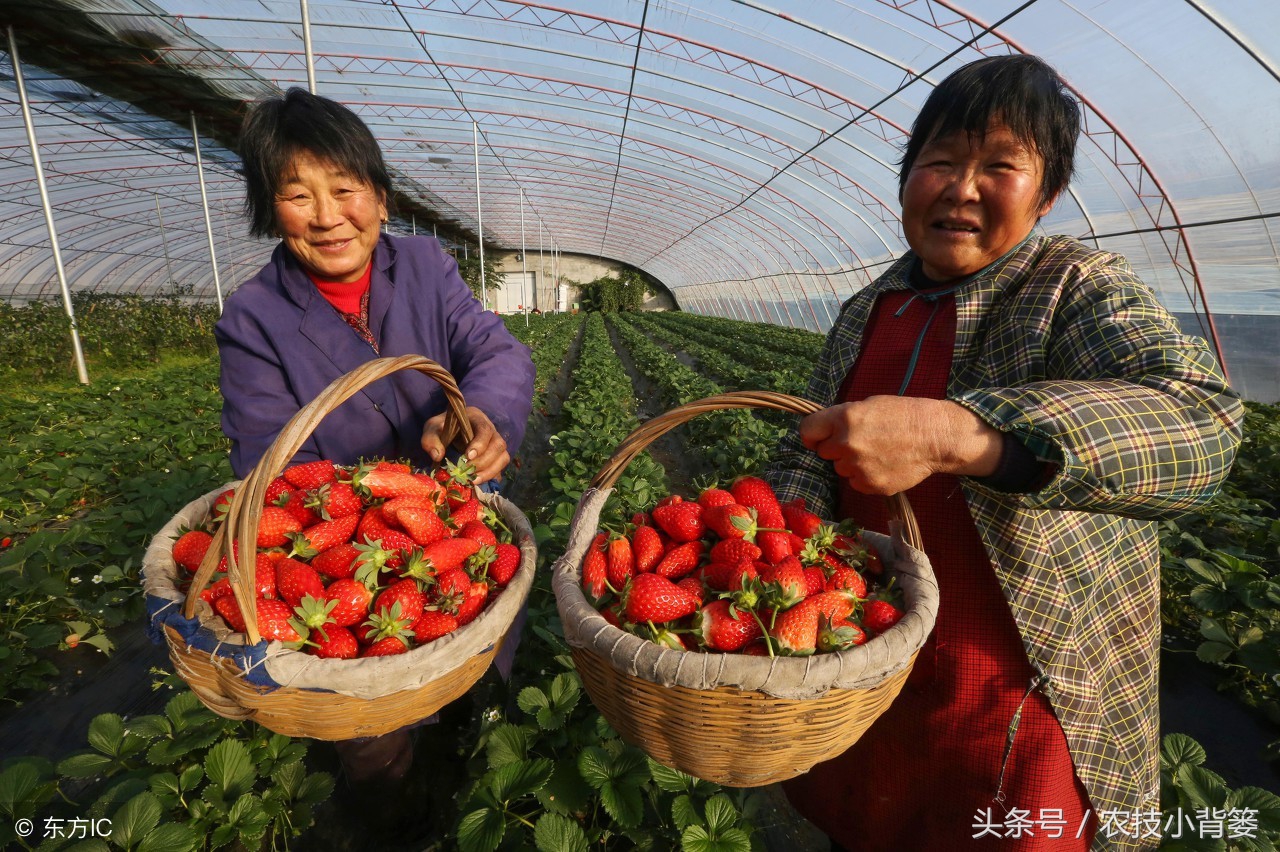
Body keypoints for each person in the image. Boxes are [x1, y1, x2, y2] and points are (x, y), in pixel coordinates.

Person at [767, 55, 1242, 852]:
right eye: (941, 162)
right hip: (863, 667)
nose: (961, 188)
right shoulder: (866, 309)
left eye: (1000, 166)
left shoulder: (1075, 286)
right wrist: (751, 531)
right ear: (908, 175)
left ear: (1046, 195)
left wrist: (960, 435)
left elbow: (1201, 427)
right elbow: (809, 453)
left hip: (1015, 691)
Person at [213, 87, 535, 829]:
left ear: (381, 199)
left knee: (467, 675)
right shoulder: (254, 317)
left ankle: (466, 759)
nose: (327, 216)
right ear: (272, 209)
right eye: (297, 195)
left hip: (451, 544)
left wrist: (481, 413)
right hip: (347, 560)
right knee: (375, 732)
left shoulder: (425, 267)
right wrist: (370, 501)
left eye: (345, 189)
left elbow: (493, 348)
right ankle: (391, 809)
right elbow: (268, 459)